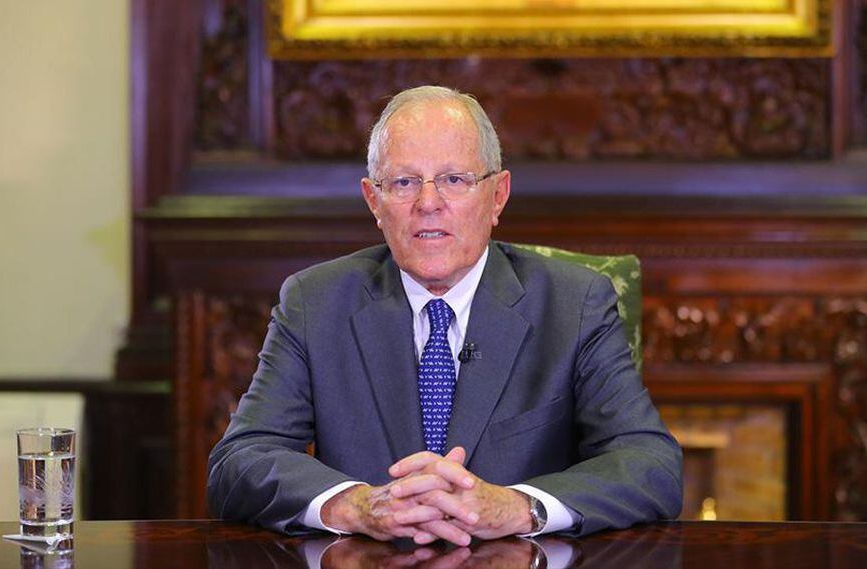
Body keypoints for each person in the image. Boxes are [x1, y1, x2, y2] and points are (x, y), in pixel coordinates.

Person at [207, 86, 682, 546]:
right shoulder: (315, 302)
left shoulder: (574, 304)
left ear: (498, 196)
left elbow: (650, 464)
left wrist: (519, 507)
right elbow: (239, 461)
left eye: (455, 180)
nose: (428, 203)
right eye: (404, 182)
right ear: (374, 201)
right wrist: (353, 505)